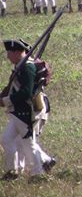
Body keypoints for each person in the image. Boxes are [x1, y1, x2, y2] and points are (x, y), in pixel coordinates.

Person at [0, 39, 46, 180]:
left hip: (26, 112)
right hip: (17, 112)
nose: (7, 56)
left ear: (18, 52)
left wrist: (6, 100)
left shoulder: (27, 68)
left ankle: (37, 174)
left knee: (28, 144)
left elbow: (26, 92)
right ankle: (12, 170)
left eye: (10, 52)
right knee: (6, 139)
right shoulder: (20, 67)